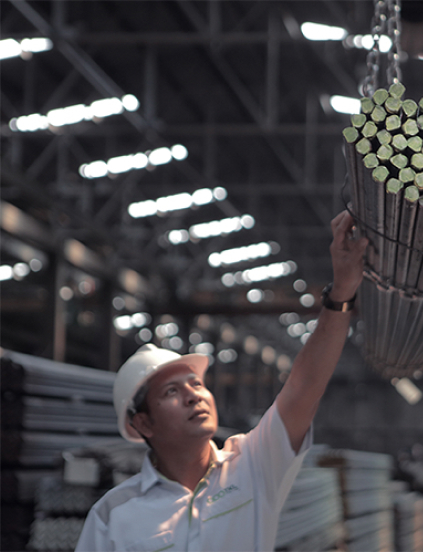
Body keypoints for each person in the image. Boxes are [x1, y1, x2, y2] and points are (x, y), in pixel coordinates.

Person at [75, 211, 368, 552]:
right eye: (172, 391)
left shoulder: (253, 466)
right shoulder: (113, 515)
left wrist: (343, 291)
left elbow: (304, 388)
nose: (192, 395)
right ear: (143, 423)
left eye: (196, 384)